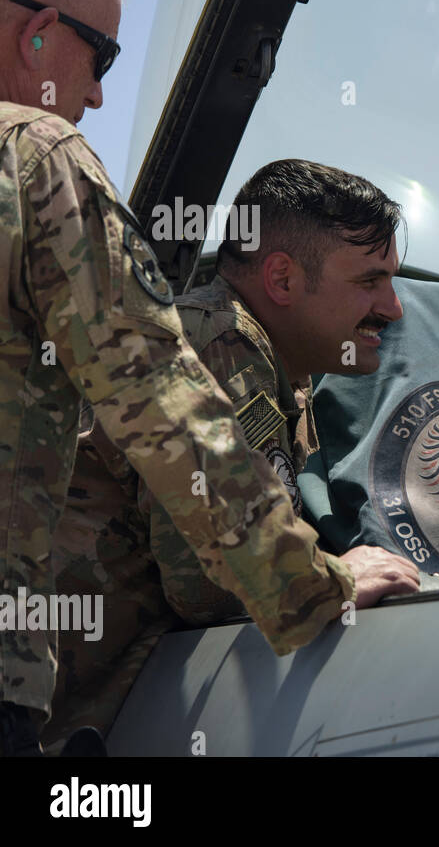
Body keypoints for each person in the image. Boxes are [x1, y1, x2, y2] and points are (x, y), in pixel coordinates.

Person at [0, 0, 416, 756]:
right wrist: (311, 583)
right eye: (102, 57)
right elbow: (160, 404)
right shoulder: (37, 157)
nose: (94, 97)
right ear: (42, 37)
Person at [45, 159, 417, 747]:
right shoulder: (219, 344)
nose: (394, 308)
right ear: (283, 280)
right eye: (370, 281)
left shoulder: (277, 369)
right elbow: (209, 587)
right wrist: (336, 579)